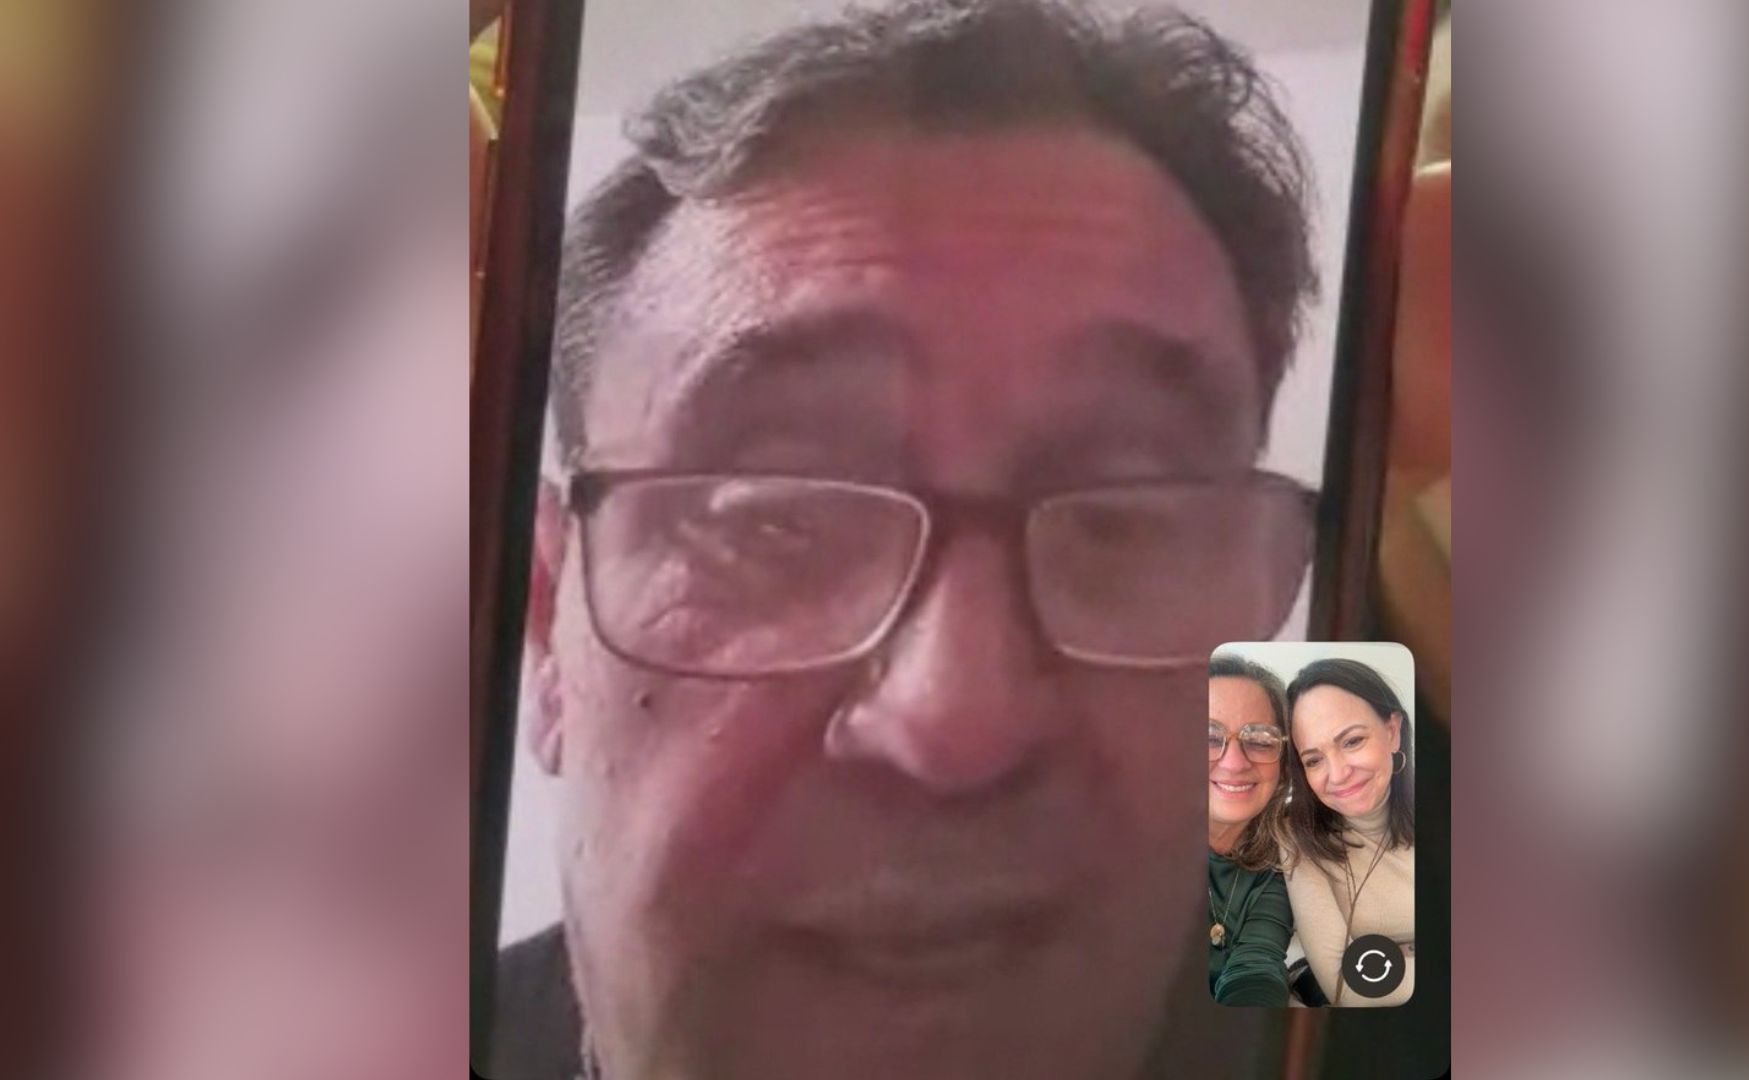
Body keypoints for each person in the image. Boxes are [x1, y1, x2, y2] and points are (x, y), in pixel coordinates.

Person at [490, 1, 1324, 1077]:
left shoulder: (1326, 960)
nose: (959, 721)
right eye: (779, 514)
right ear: (546, 625)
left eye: (1123, 516)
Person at [1279, 658, 1415, 1007]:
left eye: (1352, 741)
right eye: (1313, 760)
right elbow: (1345, 984)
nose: (1338, 774)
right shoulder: (1296, 832)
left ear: (1393, 732)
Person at [1205, 655, 1295, 1006]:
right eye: (1208, 737)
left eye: (1259, 740)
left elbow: (1258, 964)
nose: (1235, 763)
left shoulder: (1281, 860)